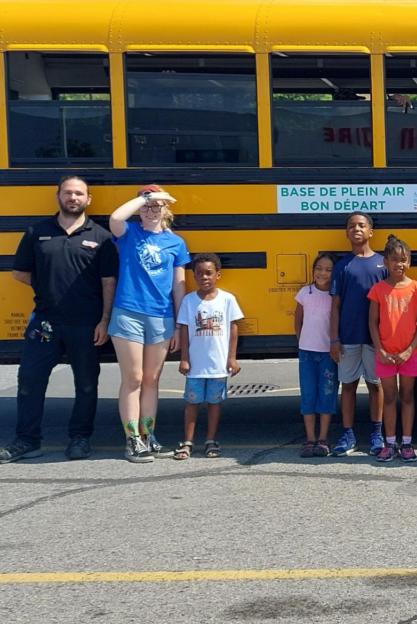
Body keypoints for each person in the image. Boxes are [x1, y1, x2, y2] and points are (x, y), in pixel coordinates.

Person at [0, 176, 118, 464]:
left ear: (88, 200)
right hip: (45, 322)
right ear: (58, 197)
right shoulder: (36, 232)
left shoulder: (101, 238)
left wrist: (104, 320)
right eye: (68, 193)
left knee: (87, 383)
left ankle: (80, 437)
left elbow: (108, 282)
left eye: (79, 194)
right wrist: (48, 289)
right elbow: (19, 273)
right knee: (29, 380)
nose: (73, 198)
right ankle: (27, 440)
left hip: (86, 324)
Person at [108, 185, 190, 463]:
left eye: (158, 205)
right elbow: (115, 219)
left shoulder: (176, 243)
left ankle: (148, 436)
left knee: (152, 380)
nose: (152, 210)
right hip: (128, 312)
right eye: (147, 206)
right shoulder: (129, 233)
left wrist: (179, 325)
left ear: (167, 210)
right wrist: (144, 198)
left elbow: (179, 287)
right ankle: (132, 440)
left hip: (162, 316)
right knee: (134, 379)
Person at [172, 253, 243, 460]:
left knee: (215, 403)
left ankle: (211, 440)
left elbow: (233, 328)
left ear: (218, 275)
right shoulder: (189, 301)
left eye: (209, 273)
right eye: (199, 274)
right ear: (193, 276)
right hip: (195, 364)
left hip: (218, 364)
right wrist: (184, 358)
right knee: (192, 403)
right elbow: (184, 330)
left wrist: (232, 358)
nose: (204, 277)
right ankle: (188, 442)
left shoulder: (227, 299)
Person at [329, 212, 388, 456]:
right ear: (346, 233)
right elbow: (335, 306)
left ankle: (377, 433)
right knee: (349, 386)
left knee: (376, 385)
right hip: (348, 338)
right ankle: (348, 434)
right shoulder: (342, 266)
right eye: (351, 225)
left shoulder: (383, 264)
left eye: (362, 225)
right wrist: (334, 339)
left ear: (371, 232)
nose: (356, 229)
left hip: (376, 340)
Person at [368, 235, 417, 463]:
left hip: (409, 353)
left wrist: (410, 349)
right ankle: (390, 442)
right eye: (394, 259)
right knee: (390, 397)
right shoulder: (378, 289)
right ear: (385, 262)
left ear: (409, 262)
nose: (399, 264)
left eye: (403, 260)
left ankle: (407, 442)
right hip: (385, 353)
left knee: (407, 396)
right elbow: (372, 322)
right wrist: (380, 350)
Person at [295, 253, 339, 458]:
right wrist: (302, 341)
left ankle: (323, 438)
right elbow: (298, 321)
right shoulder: (305, 293)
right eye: (319, 268)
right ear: (313, 271)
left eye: (328, 270)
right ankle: (310, 438)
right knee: (308, 395)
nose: (323, 273)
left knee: (327, 395)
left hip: (328, 353)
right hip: (307, 353)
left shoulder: (335, 295)